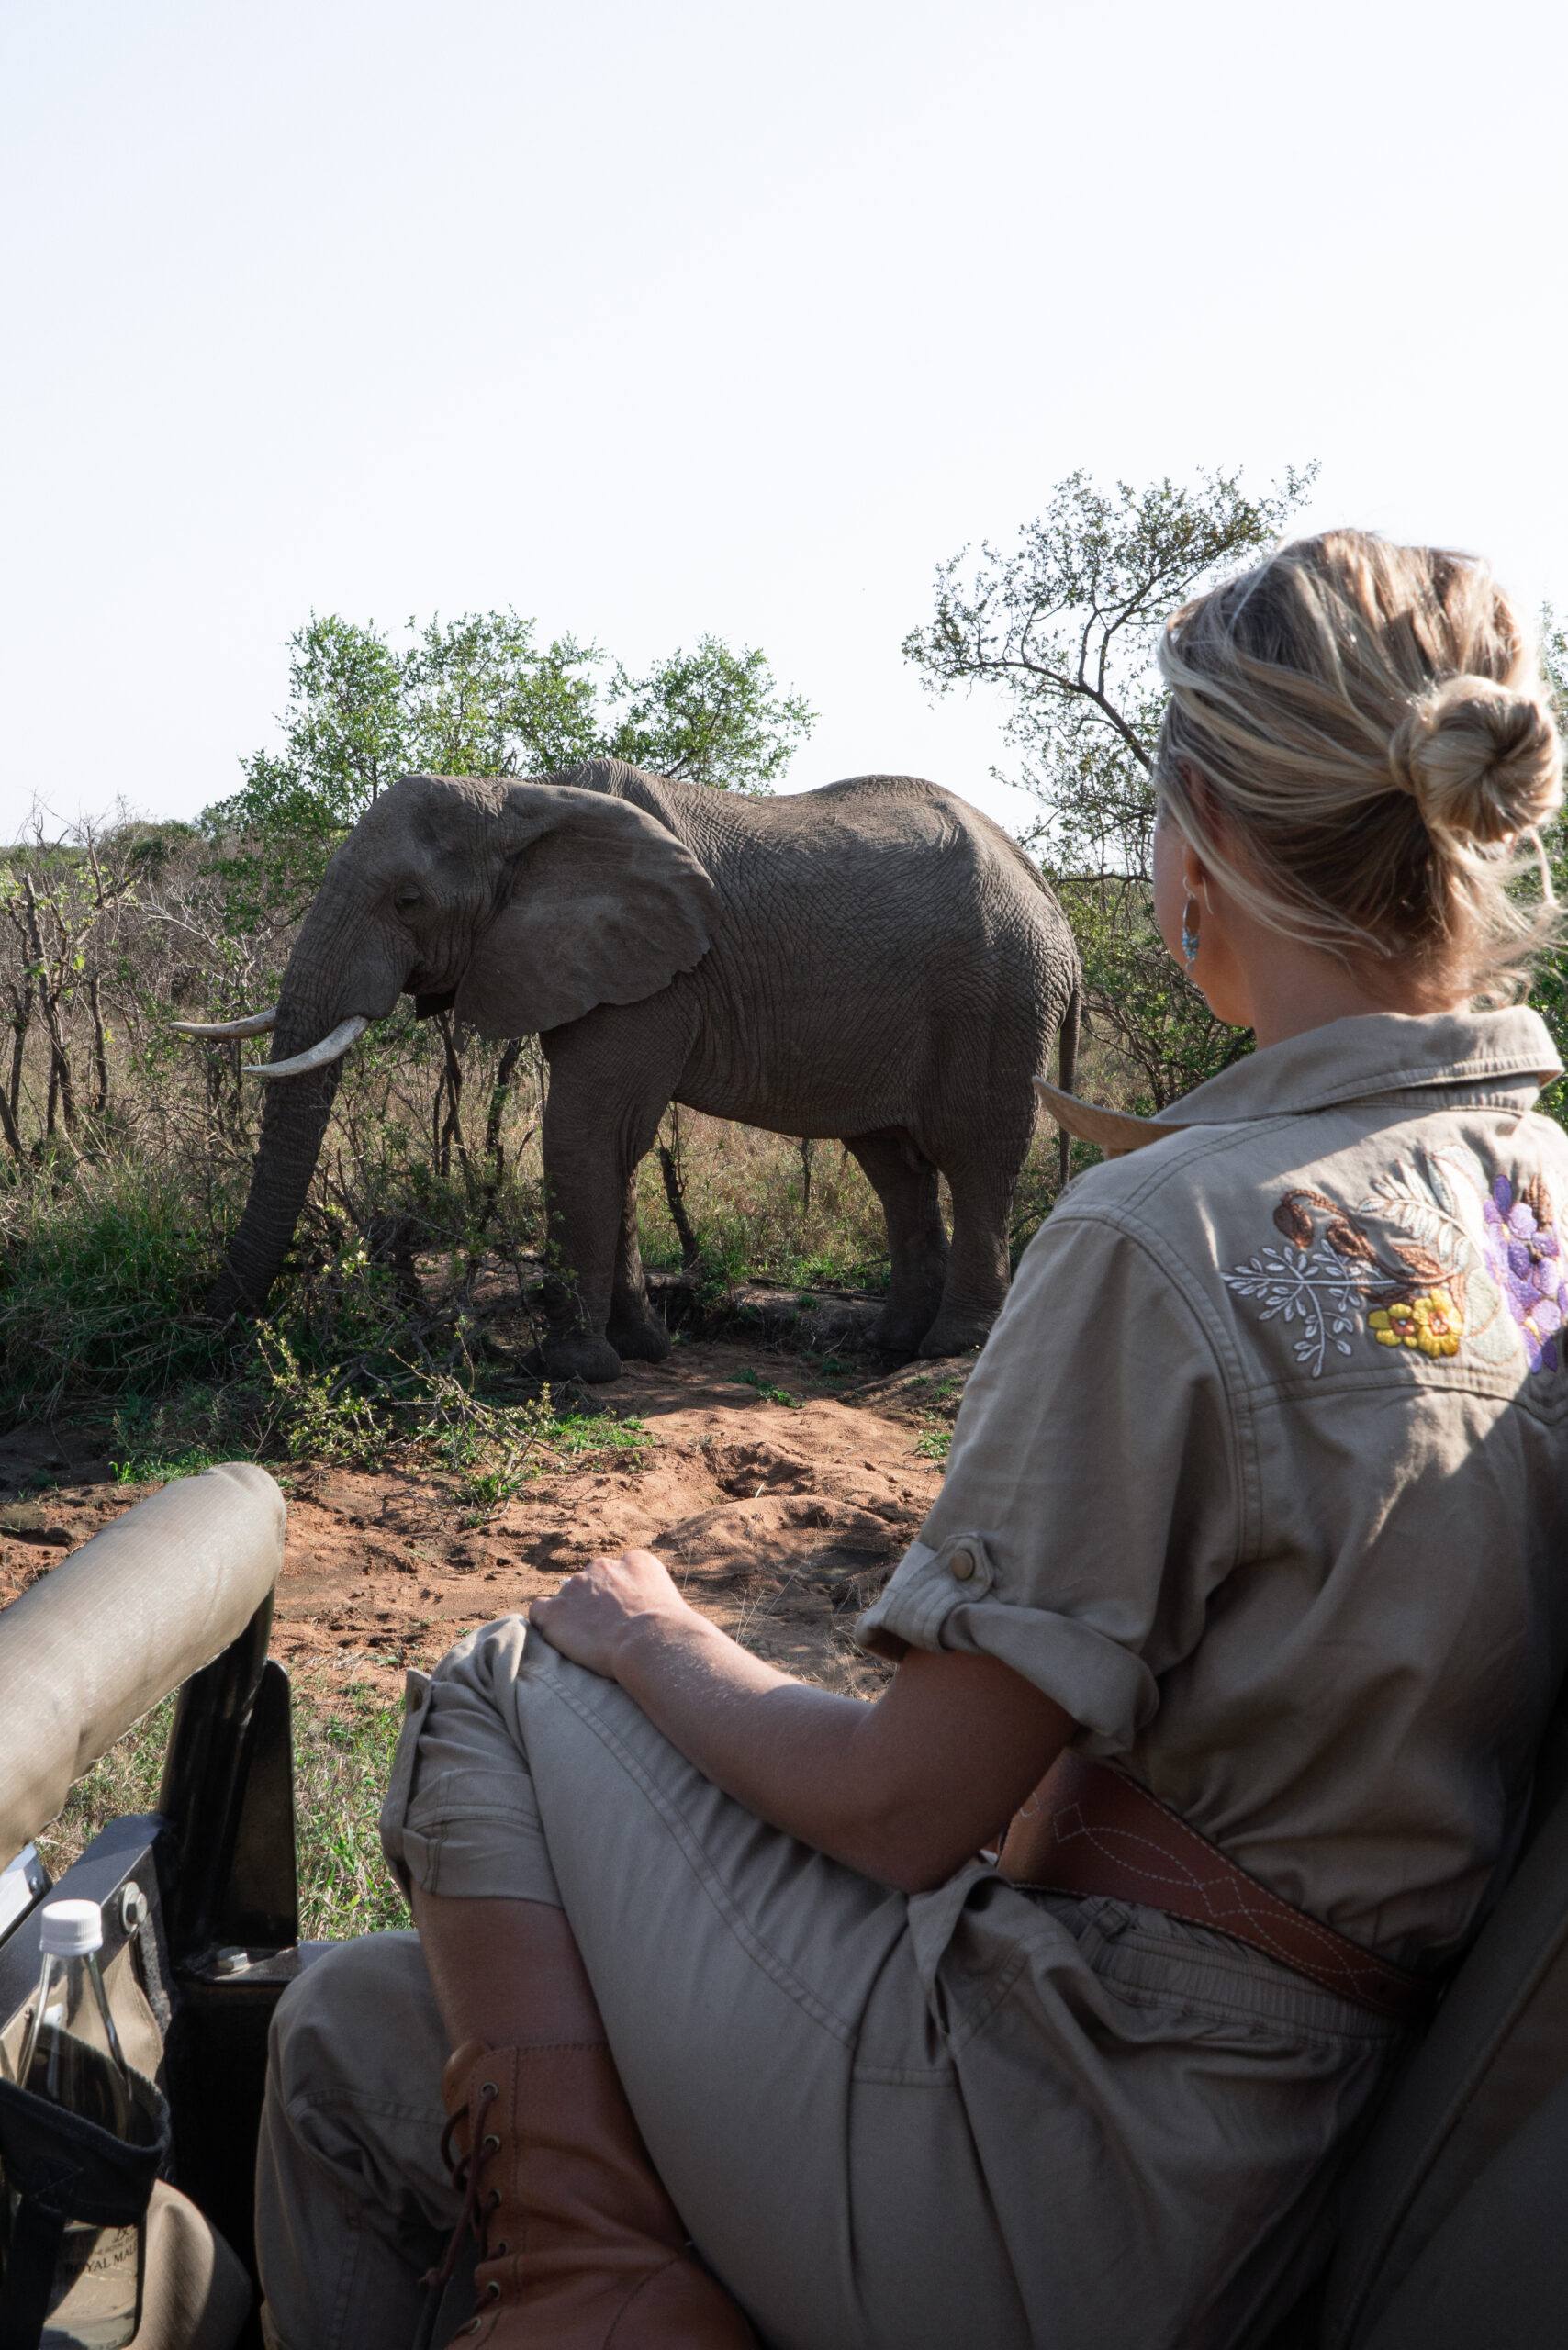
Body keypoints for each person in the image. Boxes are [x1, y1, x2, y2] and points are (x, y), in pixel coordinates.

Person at [254, 531, 1568, 2350]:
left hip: (1077, 2153)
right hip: (1313, 2118)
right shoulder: (1531, 1198)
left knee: (495, 1681)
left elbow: (896, 1810)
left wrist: (648, 1629)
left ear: (1196, 832)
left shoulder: (1171, 1230)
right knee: (354, 2029)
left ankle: (594, 2296)